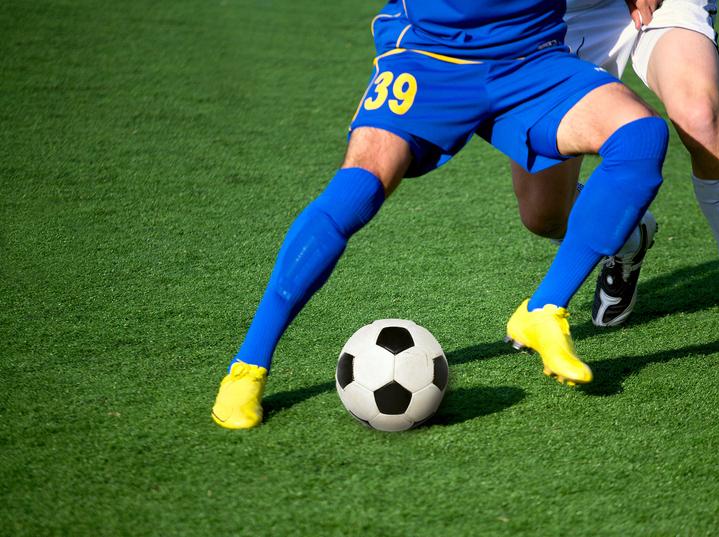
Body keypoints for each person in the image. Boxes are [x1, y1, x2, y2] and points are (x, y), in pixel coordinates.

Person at [211, 0, 670, 429]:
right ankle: (248, 367)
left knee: (639, 136)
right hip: (429, 53)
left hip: (532, 56)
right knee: (356, 190)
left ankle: (544, 309)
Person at [509, 0, 719, 378]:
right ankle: (629, 234)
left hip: (660, 5)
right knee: (543, 214)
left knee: (699, 118)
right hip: (559, 12)